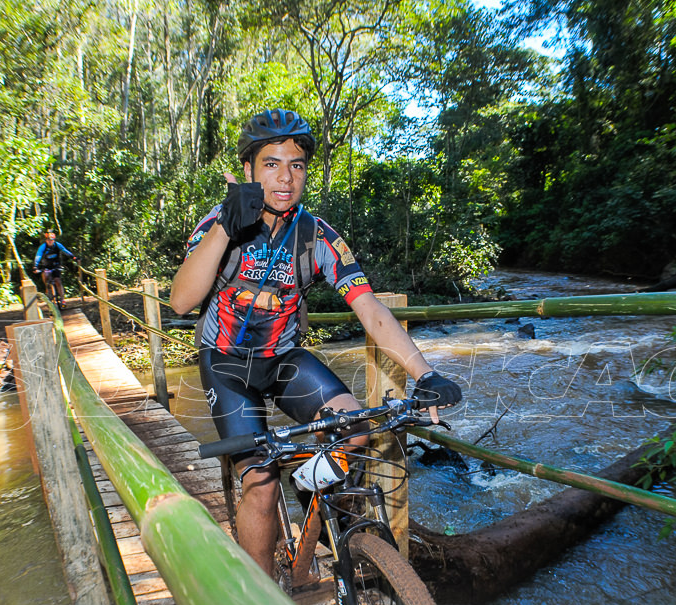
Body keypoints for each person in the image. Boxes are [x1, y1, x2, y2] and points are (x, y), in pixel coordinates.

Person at [169, 109, 462, 575]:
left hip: (284, 359)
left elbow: (370, 310)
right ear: (248, 170)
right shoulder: (218, 224)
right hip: (227, 365)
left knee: (356, 429)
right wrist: (227, 224)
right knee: (261, 482)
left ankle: (311, 492)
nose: (286, 178)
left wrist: (424, 373)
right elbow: (182, 301)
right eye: (271, 164)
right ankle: (261, 600)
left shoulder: (318, 236)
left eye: (297, 165)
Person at [33, 230, 77, 310]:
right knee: (45, 276)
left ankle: (62, 299)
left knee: (58, 281)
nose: (50, 242)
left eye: (52, 240)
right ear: (46, 240)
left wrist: (73, 257)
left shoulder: (57, 245)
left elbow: (65, 251)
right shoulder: (43, 247)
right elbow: (38, 255)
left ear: (54, 240)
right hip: (46, 266)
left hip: (56, 265)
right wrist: (35, 266)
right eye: (49, 240)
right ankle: (48, 290)